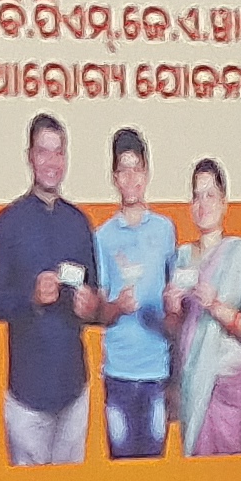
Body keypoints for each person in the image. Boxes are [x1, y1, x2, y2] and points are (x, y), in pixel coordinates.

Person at [0, 113, 100, 466]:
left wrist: (91, 306)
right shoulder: (9, 223)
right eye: (44, 152)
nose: (52, 162)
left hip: (74, 388)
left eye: (59, 153)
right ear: (29, 156)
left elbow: (96, 302)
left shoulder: (79, 224)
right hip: (27, 394)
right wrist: (30, 298)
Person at [168, 158, 241, 457]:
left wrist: (216, 306)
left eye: (210, 195)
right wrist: (173, 308)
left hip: (230, 391)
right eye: (196, 196)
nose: (203, 204)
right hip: (192, 387)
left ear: (225, 202)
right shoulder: (181, 257)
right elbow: (176, 332)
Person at [87, 127, 179, 462]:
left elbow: (175, 308)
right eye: (123, 170)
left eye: (137, 168)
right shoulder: (103, 237)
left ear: (147, 173)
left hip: (157, 372)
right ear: (115, 178)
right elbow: (98, 311)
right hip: (119, 374)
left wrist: (171, 308)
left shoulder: (165, 230)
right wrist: (117, 306)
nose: (131, 178)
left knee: (155, 468)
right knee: (122, 471)